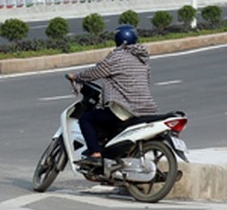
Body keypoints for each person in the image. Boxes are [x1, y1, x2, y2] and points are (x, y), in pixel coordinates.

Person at [66, 25, 158, 167]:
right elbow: (147, 81)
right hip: (146, 110)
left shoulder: (117, 57)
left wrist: (77, 77)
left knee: (86, 119)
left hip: (125, 110)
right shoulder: (142, 59)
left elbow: (96, 72)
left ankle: (95, 154)